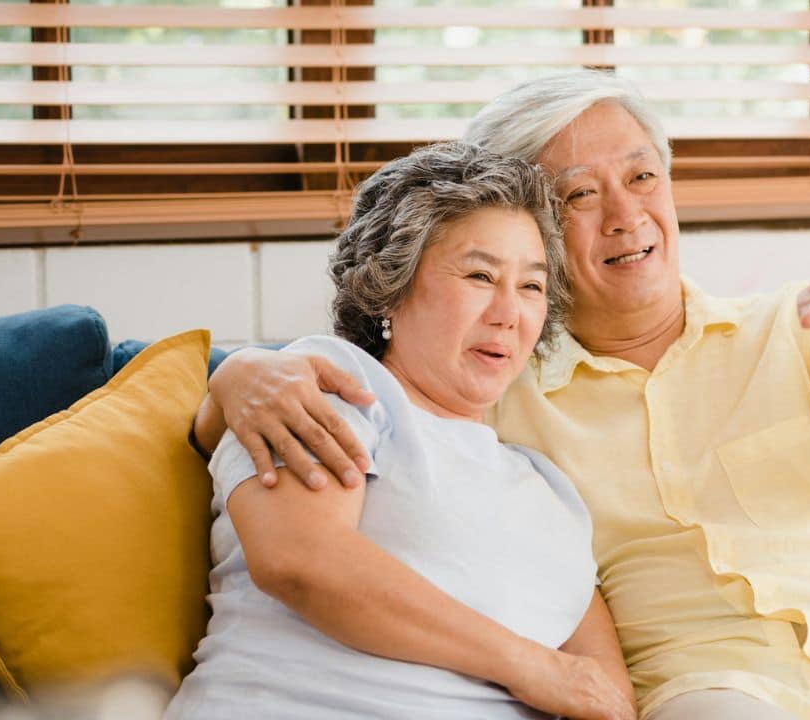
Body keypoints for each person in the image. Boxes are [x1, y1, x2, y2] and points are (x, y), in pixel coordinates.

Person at [192, 72, 810, 720]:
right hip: (718, 694)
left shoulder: (798, 325)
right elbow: (367, 396)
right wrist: (236, 376)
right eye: (576, 195)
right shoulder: (501, 392)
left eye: (642, 176)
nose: (625, 214)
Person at [166, 141, 635, 720]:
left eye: (532, 286)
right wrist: (531, 666)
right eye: (480, 275)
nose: (509, 312)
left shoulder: (549, 489)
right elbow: (301, 562)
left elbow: (604, 696)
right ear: (392, 286)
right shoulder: (334, 387)